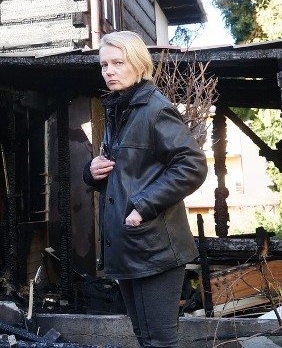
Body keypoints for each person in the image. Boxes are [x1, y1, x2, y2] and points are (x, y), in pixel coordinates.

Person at [84, 31, 207, 348]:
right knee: (145, 337)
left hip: (155, 245)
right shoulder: (119, 110)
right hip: (129, 246)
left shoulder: (155, 109)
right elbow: (126, 176)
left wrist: (143, 206)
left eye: (117, 63)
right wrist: (91, 172)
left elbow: (192, 165)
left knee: (161, 340)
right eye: (104, 65)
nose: (109, 71)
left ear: (137, 64)